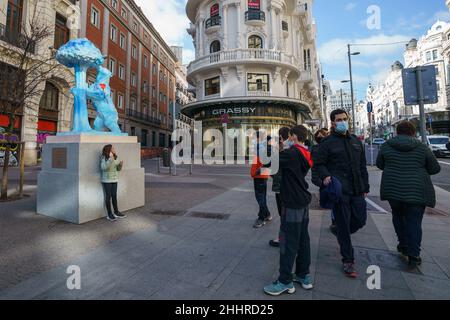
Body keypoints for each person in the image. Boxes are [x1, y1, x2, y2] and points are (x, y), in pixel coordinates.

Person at [314, 109, 370, 278]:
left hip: (357, 189)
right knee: (344, 225)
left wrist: (365, 187)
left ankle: (338, 230)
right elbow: (318, 164)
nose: (342, 122)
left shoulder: (355, 141)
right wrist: (325, 177)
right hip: (339, 191)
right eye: (339, 120)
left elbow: (362, 166)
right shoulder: (327, 142)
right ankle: (348, 260)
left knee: (360, 220)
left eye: (345, 119)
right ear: (332, 123)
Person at [376, 121, 440, 269]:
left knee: (398, 216)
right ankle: (414, 255)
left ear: (397, 131)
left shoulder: (386, 146)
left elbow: (379, 165)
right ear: (413, 132)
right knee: (414, 222)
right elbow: (435, 168)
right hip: (417, 191)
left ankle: (403, 245)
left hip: (394, 189)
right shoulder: (422, 147)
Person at [264, 125, 314, 296]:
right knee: (302, 240)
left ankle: (285, 281)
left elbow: (268, 163)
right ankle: (303, 275)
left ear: (293, 136)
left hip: (292, 201)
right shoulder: (305, 152)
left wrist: (276, 148)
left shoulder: (291, 153)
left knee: (288, 241)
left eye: (288, 136)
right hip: (303, 199)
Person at [269, 127, 291, 248]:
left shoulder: (281, 151)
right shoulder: (295, 149)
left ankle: (282, 238)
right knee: (287, 212)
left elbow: (272, 169)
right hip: (290, 187)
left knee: (283, 213)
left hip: (282, 187)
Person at [311, 128, 336, 233]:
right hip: (326, 180)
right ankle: (335, 222)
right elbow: (315, 167)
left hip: (332, 179)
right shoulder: (317, 149)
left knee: (334, 202)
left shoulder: (332, 147)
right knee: (334, 202)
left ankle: (335, 221)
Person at [251, 132, 272, 228]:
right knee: (261, 196)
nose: (253, 139)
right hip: (259, 176)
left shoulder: (262, 148)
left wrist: (257, 171)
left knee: (260, 197)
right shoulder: (259, 147)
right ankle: (267, 214)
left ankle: (261, 218)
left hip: (260, 176)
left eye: (255, 137)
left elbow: (267, 163)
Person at [100, 144, 126, 221]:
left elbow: (118, 169)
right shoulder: (104, 157)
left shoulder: (116, 157)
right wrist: (110, 159)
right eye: (113, 148)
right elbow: (103, 168)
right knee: (108, 196)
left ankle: (116, 212)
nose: (114, 149)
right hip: (107, 180)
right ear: (109, 150)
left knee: (114, 195)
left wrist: (120, 165)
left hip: (115, 179)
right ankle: (109, 214)